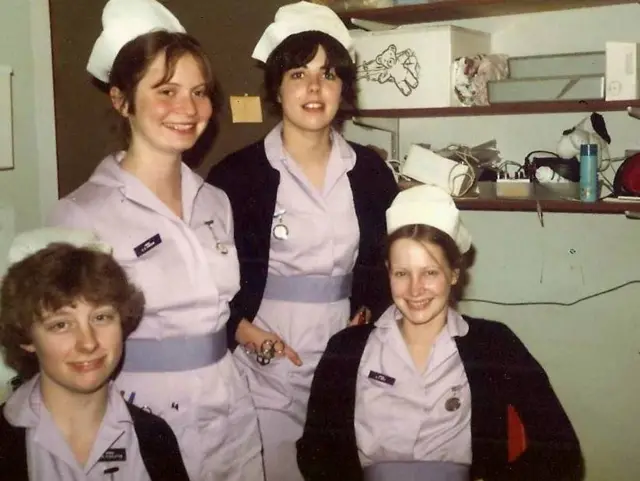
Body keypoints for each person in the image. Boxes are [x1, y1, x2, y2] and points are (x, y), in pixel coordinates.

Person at [47, 1, 264, 480]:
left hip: (232, 409)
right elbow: (63, 349)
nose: (188, 109)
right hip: (143, 418)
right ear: (121, 100)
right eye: (166, 91)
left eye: (199, 92)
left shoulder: (215, 202)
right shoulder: (82, 214)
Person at [206, 2, 398, 480]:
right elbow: (207, 279)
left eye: (328, 74)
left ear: (342, 88)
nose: (314, 88)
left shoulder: (371, 172)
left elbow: (386, 260)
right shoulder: (237, 176)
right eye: (298, 73)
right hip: (266, 359)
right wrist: (245, 333)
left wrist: (369, 310)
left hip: (345, 356)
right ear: (277, 86)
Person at [297, 185, 584, 481]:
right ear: (388, 273)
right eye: (402, 273)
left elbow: (562, 451)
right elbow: (314, 453)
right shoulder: (346, 349)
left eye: (430, 272)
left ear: (454, 274)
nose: (415, 289)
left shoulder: (494, 345)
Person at [0, 227, 191, 481]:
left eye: (101, 317)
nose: (88, 343)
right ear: (26, 337)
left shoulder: (155, 437)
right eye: (61, 324)